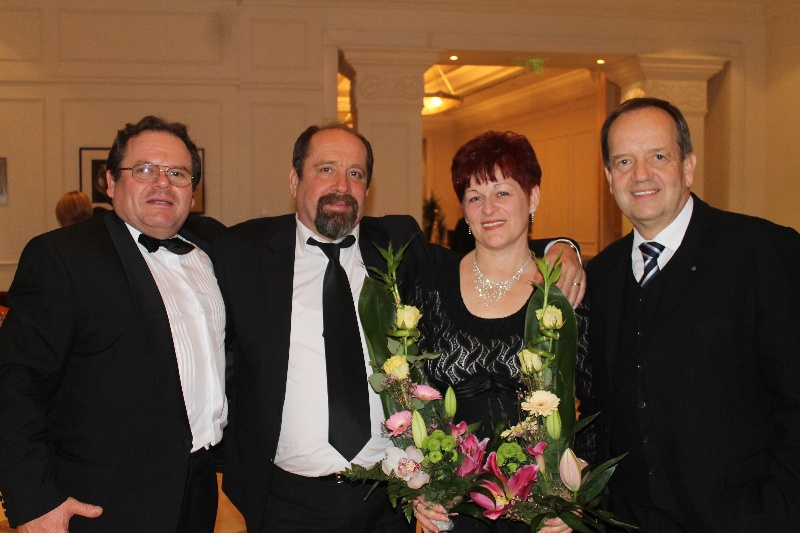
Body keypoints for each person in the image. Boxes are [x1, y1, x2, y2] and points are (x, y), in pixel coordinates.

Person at [215, 123, 584, 533]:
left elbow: (497, 245)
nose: (342, 185)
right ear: (294, 180)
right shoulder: (243, 251)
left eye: (355, 173)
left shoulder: (399, 244)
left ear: (367, 188)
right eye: (326, 170)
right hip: (284, 499)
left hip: (389, 500)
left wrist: (562, 248)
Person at [0, 116, 227, 532]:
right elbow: (15, 384)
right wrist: (33, 501)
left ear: (193, 192)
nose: (163, 183)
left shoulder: (212, 247)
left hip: (198, 487)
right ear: (110, 182)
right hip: (101, 499)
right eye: (144, 170)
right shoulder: (63, 257)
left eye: (178, 173)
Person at [587, 97, 800, 532]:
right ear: (609, 178)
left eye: (658, 157)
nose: (640, 174)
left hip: (741, 518)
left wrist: (778, 508)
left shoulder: (762, 252)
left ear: (688, 166)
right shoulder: (602, 275)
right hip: (626, 519)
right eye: (624, 161)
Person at [411, 131, 591, 533]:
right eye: (474, 197)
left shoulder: (563, 290)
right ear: (464, 209)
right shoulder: (431, 286)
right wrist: (419, 484)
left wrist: (576, 486)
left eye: (503, 192)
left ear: (533, 197)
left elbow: (598, 404)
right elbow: (412, 399)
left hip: (543, 515)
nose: (488, 208)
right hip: (453, 514)